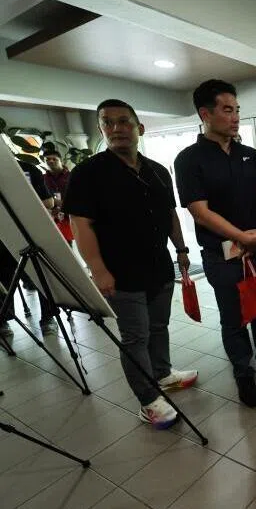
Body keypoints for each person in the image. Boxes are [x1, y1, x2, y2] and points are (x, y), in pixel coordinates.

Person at [65, 99, 198, 430]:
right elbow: (81, 224)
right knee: (135, 336)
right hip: (120, 271)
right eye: (107, 123)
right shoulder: (88, 173)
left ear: (139, 128)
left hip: (159, 265)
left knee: (158, 326)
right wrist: (97, 269)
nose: (116, 128)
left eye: (123, 121)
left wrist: (181, 249)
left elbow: (169, 214)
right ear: (101, 130)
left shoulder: (156, 170)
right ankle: (147, 400)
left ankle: (163, 373)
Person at [174, 79, 256, 409]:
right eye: (227, 110)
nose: (235, 116)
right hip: (221, 255)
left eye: (237, 110)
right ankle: (243, 371)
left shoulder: (248, 154)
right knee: (233, 316)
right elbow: (200, 211)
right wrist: (243, 237)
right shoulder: (189, 159)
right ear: (205, 113)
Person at [1, 161, 56, 336]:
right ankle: (5, 319)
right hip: (5, 235)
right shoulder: (26, 167)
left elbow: (49, 202)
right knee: (6, 276)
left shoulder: (27, 168)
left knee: (40, 275)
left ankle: (48, 317)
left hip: (29, 232)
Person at [42, 144, 74, 245]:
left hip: (72, 215)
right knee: (64, 246)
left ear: (61, 161)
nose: (50, 161)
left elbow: (80, 196)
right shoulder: (42, 179)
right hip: (54, 218)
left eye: (54, 159)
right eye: (47, 159)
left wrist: (59, 204)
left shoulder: (72, 176)